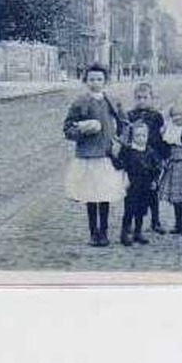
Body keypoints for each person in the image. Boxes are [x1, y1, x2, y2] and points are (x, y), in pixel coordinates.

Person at [62, 64, 128, 246]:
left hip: (106, 155)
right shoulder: (80, 102)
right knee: (91, 196)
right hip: (87, 156)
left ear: (105, 81)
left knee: (104, 195)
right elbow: (67, 128)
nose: (95, 83)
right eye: (91, 79)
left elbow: (124, 123)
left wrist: (119, 140)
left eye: (99, 79)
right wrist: (82, 129)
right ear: (86, 81)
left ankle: (104, 232)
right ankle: (94, 233)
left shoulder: (112, 101)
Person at [127, 82, 168, 234]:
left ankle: (155, 221)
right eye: (139, 98)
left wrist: (163, 157)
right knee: (134, 192)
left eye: (145, 97)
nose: (142, 101)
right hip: (136, 159)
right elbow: (126, 137)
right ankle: (130, 221)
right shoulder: (130, 115)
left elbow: (161, 137)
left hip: (152, 158)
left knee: (153, 190)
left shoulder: (156, 116)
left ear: (151, 98)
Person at [116, 122, 160, 246]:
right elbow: (120, 165)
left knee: (141, 209)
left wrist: (154, 181)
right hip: (132, 184)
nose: (141, 138)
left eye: (144, 135)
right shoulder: (128, 150)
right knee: (130, 209)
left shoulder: (150, 151)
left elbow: (157, 167)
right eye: (138, 136)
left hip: (146, 185)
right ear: (133, 137)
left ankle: (138, 232)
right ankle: (125, 233)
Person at [157, 104, 182, 235]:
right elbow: (165, 147)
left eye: (181, 114)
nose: (178, 118)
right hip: (174, 164)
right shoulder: (169, 130)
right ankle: (178, 223)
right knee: (176, 197)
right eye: (174, 115)